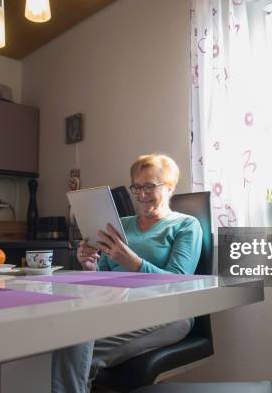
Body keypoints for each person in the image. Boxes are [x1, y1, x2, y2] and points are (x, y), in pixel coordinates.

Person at [52, 154, 203, 393]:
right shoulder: (121, 224)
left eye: (150, 187)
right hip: (116, 307)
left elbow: (178, 281)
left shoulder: (185, 225)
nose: (142, 195)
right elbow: (105, 275)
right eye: (137, 187)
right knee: (67, 338)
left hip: (168, 312)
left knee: (77, 344)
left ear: (170, 187)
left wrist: (134, 263)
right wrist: (91, 267)